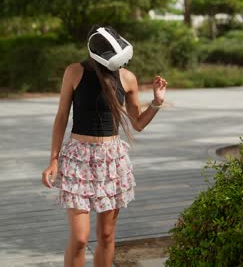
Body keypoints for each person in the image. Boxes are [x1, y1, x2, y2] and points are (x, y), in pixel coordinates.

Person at [41, 25, 167, 267]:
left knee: (107, 236)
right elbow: (61, 117)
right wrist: (54, 160)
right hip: (78, 158)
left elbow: (137, 123)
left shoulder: (127, 78)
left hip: (112, 160)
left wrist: (157, 102)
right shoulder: (74, 72)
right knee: (79, 239)